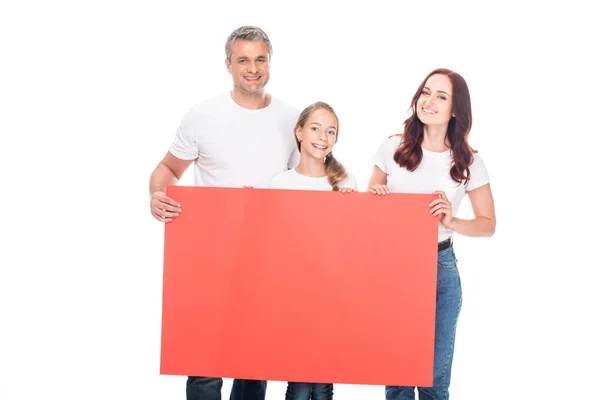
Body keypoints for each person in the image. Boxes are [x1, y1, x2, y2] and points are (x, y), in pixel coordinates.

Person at [149, 25, 300, 400]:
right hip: (212, 254)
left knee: (252, 366)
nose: (253, 68)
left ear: (270, 63)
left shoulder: (291, 119)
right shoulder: (203, 116)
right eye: (243, 60)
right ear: (228, 65)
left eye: (260, 59)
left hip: (268, 256)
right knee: (205, 363)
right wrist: (157, 193)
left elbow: (308, 181)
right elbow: (168, 170)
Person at [368, 68, 496, 400]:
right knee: (397, 379)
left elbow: (487, 224)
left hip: (441, 268)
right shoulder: (391, 148)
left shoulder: (468, 162)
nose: (429, 101)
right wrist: (377, 198)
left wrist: (452, 221)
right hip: (393, 267)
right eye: (426, 92)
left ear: (456, 109)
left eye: (441, 96)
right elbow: (368, 210)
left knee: (434, 381)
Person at [269, 101, 357, 399]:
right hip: (293, 296)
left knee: (322, 384)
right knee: (298, 381)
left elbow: (356, 243)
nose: (323, 137)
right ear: (300, 132)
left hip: (331, 295)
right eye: (316, 128)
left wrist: (362, 204)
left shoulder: (344, 183)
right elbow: (271, 243)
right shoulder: (280, 183)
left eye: (330, 131)